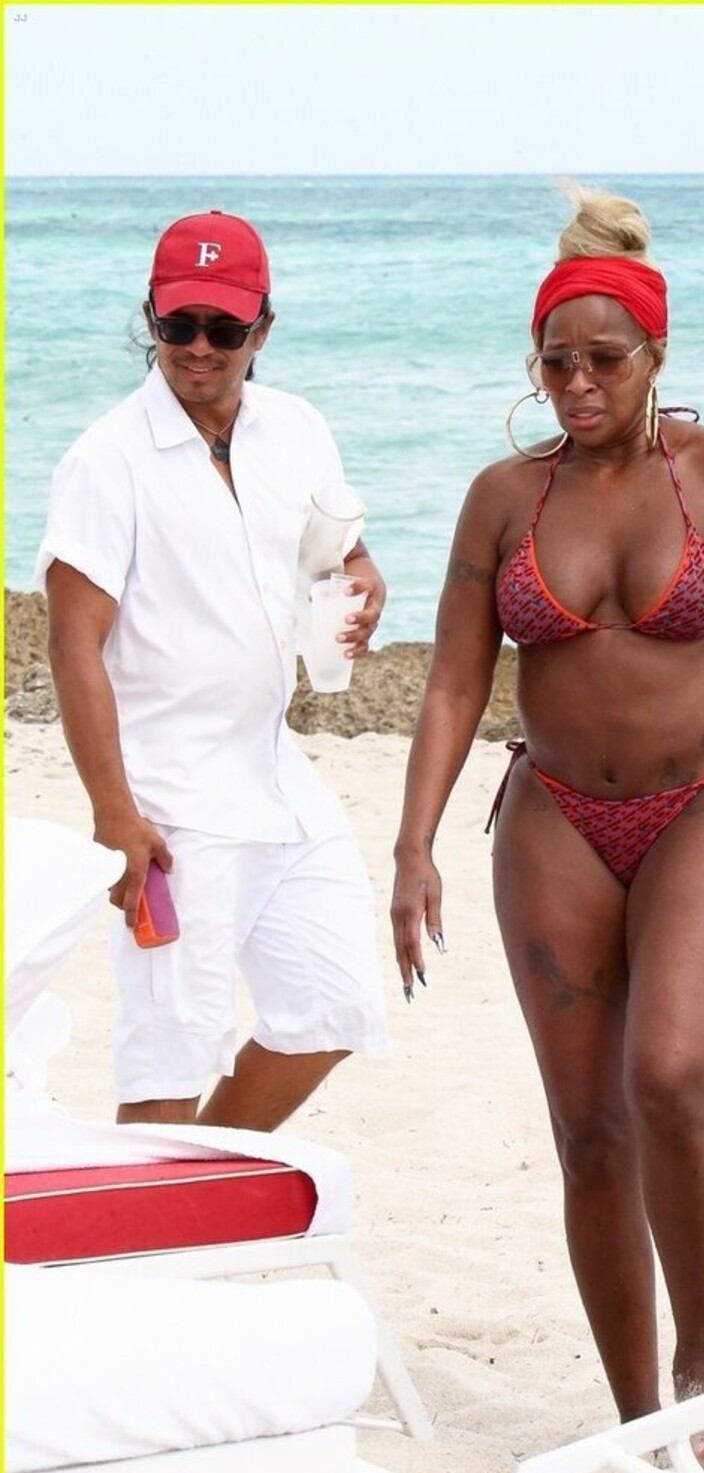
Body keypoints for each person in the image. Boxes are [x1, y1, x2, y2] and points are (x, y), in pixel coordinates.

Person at [391, 185, 704, 1454]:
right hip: (552, 816)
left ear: (656, 352)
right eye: (556, 362)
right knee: (588, 1127)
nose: (578, 384)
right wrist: (413, 844)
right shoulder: (505, 497)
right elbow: (453, 682)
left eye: (604, 359)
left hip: (702, 807)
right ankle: (637, 1413)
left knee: (669, 1074)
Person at [38, 209, 389, 1129]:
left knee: (333, 1005)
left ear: (262, 329)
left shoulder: (297, 429)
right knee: (170, 1052)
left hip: (277, 772)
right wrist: (115, 814)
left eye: (224, 329)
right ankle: (159, 1209)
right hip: (170, 795)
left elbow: (340, 553)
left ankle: (194, 1188)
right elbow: (73, 644)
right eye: (178, 324)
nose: (199, 347)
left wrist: (364, 580)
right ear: (150, 319)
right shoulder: (105, 460)